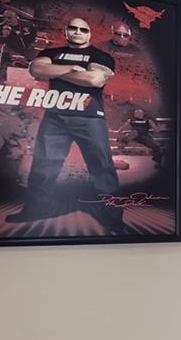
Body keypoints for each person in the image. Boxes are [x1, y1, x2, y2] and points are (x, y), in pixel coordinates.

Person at [8, 17, 123, 231]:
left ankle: (112, 217)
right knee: (44, 165)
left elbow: (94, 80)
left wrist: (58, 70)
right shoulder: (50, 53)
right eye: (73, 28)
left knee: (102, 168)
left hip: (89, 117)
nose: (78, 32)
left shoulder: (101, 56)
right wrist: (74, 70)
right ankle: (35, 210)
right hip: (55, 117)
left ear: (89, 33)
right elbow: (37, 70)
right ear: (66, 31)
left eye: (83, 29)